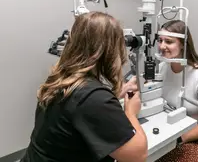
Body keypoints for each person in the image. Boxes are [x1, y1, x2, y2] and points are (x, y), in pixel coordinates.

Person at [20, 12, 148, 162]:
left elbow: (78, 106)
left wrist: (116, 93)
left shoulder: (61, 80)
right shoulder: (94, 98)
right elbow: (138, 156)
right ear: (111, 50)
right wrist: (131, 112)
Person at [156, 20, 198, 162]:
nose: (162, 46)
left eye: (169, 41)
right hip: (169, 127)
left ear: (183, 45)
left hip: (194, 137)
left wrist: (177, 139)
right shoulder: (163, 67)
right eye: (160, 40)